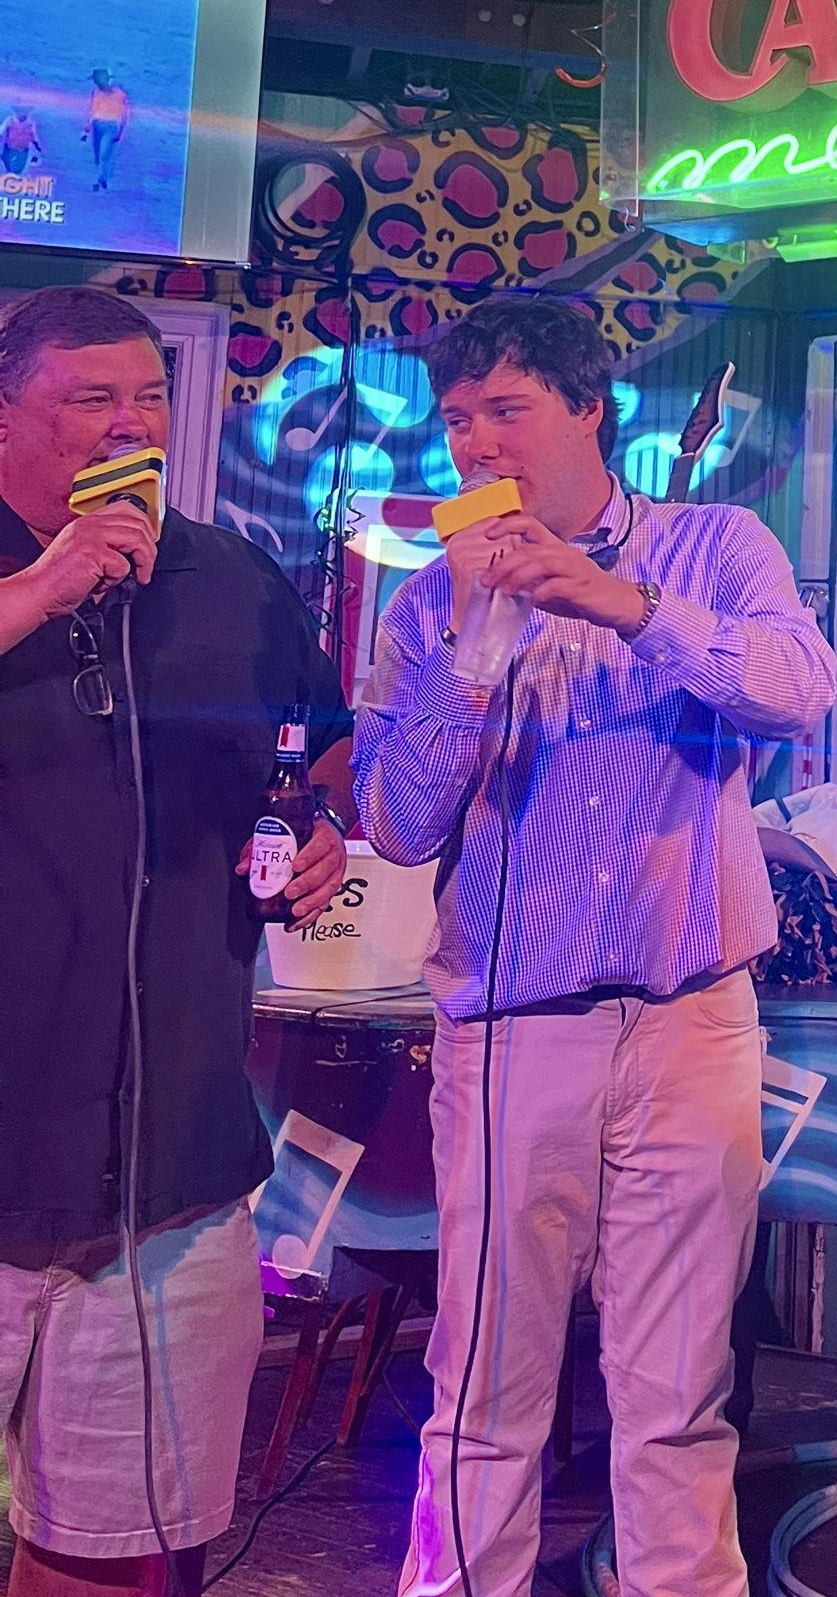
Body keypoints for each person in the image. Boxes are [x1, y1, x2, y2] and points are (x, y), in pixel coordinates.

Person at [353, 296, 834, 1597]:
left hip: (691, 1020)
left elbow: (800, 687)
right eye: (457, 418)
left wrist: (623, 605)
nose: (475, 443)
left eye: (506, 410)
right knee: (483, 1387)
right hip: (513, 1029)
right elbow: (395, 823)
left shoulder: (714, 544)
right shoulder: (426, 602)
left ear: (587, 410)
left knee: (676, 1391)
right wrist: (473, 650)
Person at [0, 286, 352, 1597]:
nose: (129, 424)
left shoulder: (228, 579)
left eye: (149, 397)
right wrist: (44, 586)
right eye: (92, 398)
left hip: (170, 1177)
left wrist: (317, 827)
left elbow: (317, 750)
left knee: (109, 1555)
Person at [83, 72, 129, 192]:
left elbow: (124, 115)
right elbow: (92, 109)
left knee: (104, 154)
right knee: (98, 154)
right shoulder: (96, 92)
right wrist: (88, 125)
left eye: (97, 81)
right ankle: (102, 176)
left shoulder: (120, 95)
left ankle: (101, 179)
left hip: (111, 126)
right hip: (97, 125)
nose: (97, 84)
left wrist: (120, 131)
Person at [2, 108, 42, 177]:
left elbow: (34, 136)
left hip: (23, 151)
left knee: (19, 169)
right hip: (10, 149)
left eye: (25, 112)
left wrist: (37, 146)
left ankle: (15, 180)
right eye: (20, 112)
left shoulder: (31, 124)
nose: (22, 114)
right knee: (9, 167)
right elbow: (1, 131)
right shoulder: (10, 120)